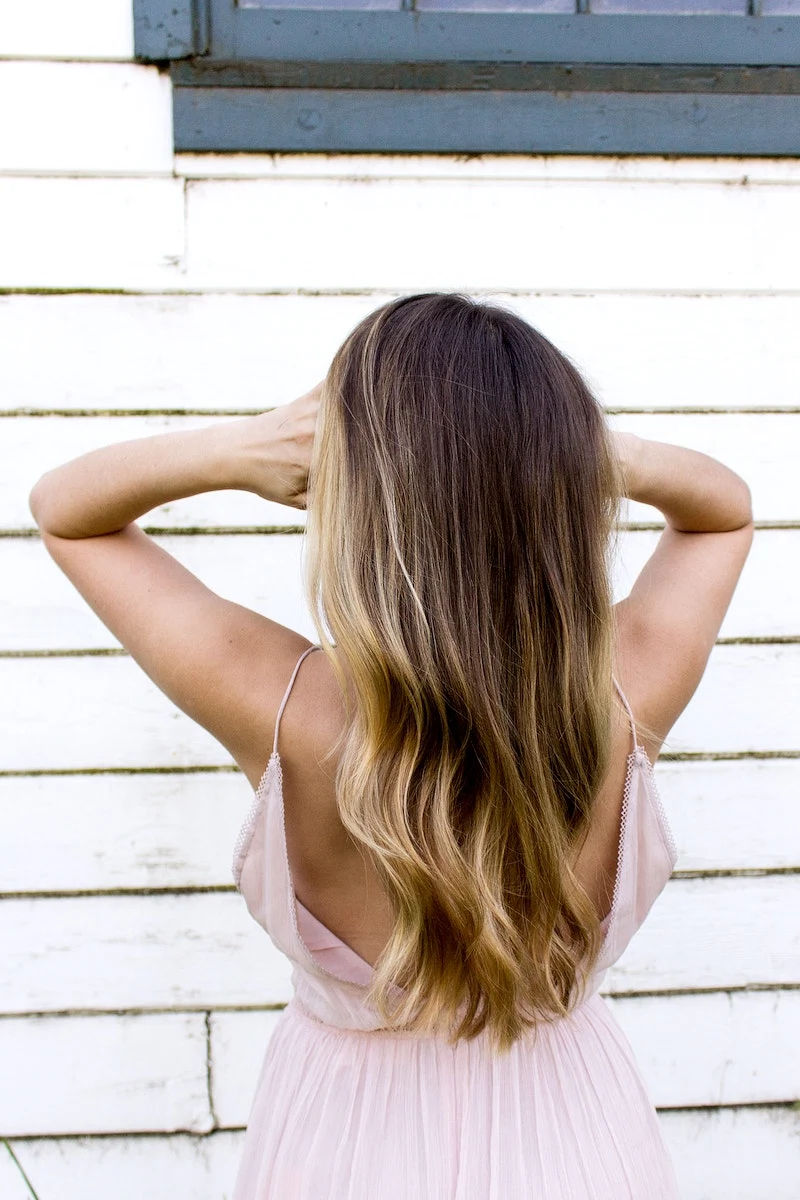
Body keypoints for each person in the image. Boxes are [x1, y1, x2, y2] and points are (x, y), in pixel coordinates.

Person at [29, 293, 753, 1199]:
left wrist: (239, 448)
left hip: (341, 1147)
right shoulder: (624, 691)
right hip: (573, 1138)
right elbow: (725, 511)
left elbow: (65, 510)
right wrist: (586, 450)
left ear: (355, 498)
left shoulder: (284, 708)